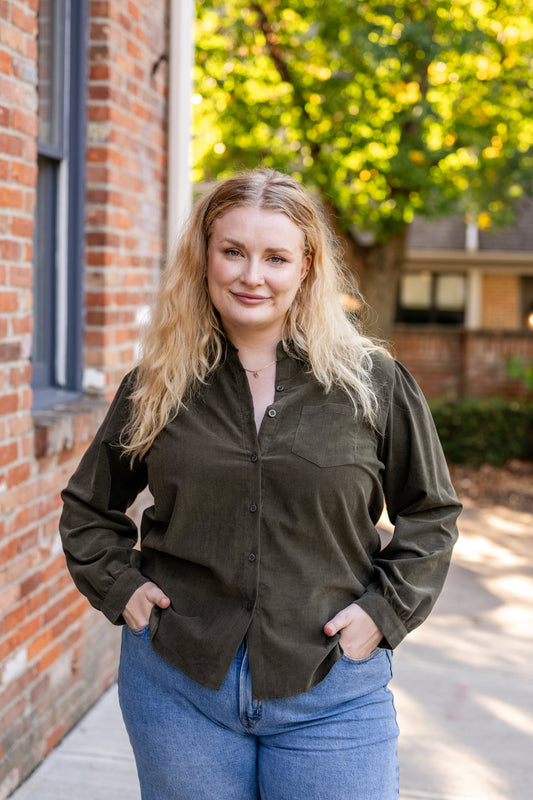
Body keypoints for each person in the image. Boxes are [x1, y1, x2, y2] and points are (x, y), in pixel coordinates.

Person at [60, 168, 461, 800]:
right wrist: (122, 589)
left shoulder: (372, 382)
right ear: (205, 259)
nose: (252, 276)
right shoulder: (157, 385)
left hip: (329, 686)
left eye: (275, 256)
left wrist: (384, 613)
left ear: (306, 266)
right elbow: (88, 506)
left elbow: (431, 514)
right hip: (179, 685)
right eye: (233, 252)